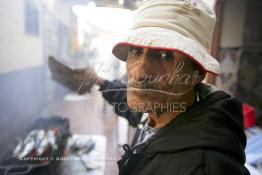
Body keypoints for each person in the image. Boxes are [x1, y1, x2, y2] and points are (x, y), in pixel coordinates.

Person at [51, 0, 250, 174]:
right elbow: (127, 102)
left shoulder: (204, 166)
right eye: (136, 51)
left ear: (196, 74)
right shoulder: (161, 111)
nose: (139, 72)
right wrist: (98, 80)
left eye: (165, 55)